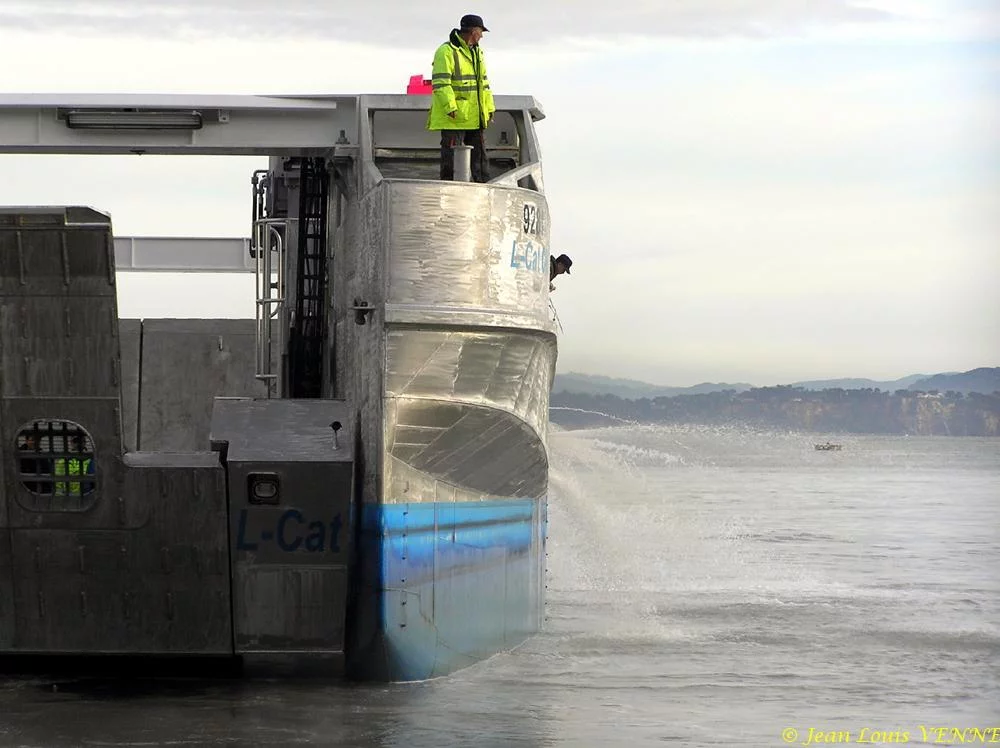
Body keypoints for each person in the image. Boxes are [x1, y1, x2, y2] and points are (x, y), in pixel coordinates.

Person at [426, 14, 496, 183]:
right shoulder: (446, 51)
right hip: (454, 118)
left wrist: (489, 109)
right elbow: (441, 83)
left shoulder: (477, 52)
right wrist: (450, 107)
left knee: (480, 160)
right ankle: (448, 191)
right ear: (473, 31)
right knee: (451, 161)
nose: (482, 35)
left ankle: (482, 190)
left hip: (475, 116)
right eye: (481, 31)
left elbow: (483, 84)